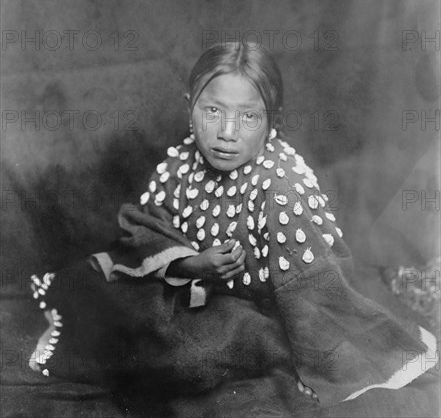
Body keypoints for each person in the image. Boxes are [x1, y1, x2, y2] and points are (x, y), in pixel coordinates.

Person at [28, 42, 438, 417]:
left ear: (271, 121)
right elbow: (148, 224)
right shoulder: (181, 163)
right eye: (213, 111)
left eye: (248, 117)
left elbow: (311, 288)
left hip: (262, 314)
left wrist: (315, 366)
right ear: (189, 107)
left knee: (216, 338)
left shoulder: (279, 186)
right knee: (110, 290)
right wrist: (189, 264)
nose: (227, 133)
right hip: (195, 294)